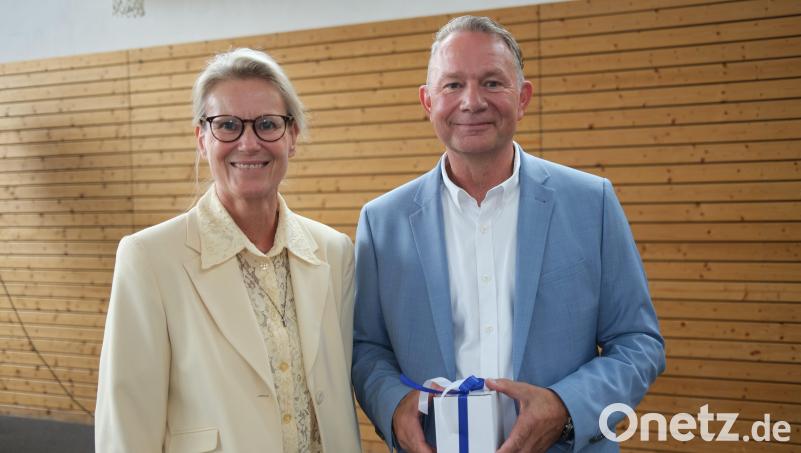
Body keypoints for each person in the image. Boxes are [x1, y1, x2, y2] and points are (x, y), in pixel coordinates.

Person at [352, 16, 665, 453]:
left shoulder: (591, 202)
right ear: (427, 101)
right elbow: (368, 348)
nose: (472, 101)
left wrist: (563, 406)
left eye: (493, 83)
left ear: (523, 98)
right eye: (452, 85)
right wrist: (394, 405)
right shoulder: (381, 221)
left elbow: (638, 343)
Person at [95, 48, 361, 453]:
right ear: (202, 139)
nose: (249, 143)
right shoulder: (150, 258)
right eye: (228, 125)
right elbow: (126, 424)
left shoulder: (334, 251)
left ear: (292, 138)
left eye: (268, 124)